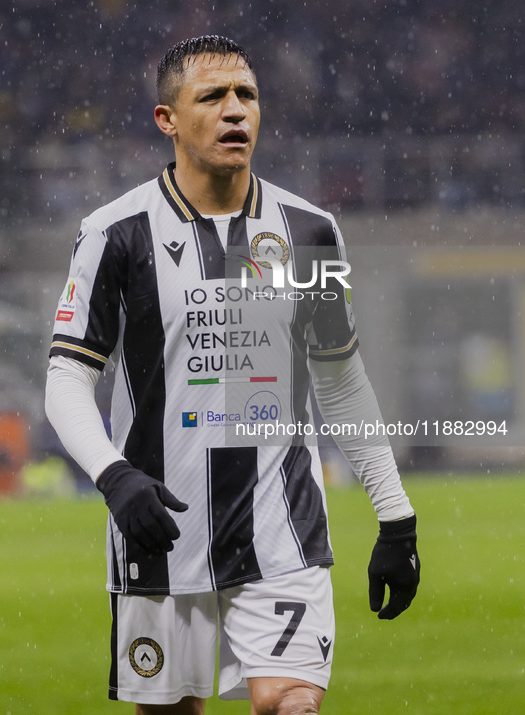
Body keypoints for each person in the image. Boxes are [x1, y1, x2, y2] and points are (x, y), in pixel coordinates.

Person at [45, 35, 420, 714]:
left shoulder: (307, 231)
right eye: (212, 97)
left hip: (282, 528)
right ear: (168, 120)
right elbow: (67, 376)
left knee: (292, 705)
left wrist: (395, 516)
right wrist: (114, 474)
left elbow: (339, 379)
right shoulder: (115, 233)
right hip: (158, 528)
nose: (234, 110)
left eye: (246, 95)